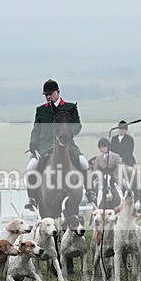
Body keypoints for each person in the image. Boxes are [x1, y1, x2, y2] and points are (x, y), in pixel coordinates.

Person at [25, 79, 93, 209]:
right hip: (44, 146)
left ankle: (90, 192)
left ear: (58, 92)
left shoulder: (69, 107)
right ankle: (32, 197)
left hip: (67, 144)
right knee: (30, 168)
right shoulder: (41, 110)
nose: (48, 97)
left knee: (84, 163)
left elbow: (77, 125)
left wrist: (69, 134)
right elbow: (36, 130)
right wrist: (33, 143)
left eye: (50, 94)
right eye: (46, 95)